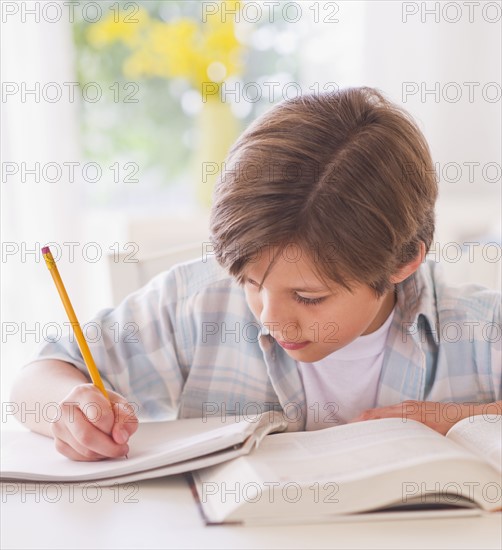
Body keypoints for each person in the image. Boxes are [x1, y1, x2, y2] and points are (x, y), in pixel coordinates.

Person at [10, 87, 501, 462]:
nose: (272, 320)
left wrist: (463, 422)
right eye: (250, 282)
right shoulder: (195, 305)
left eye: (309, 298)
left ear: (403, 261)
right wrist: (66, 410)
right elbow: (36, 380)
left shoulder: (477, 328)